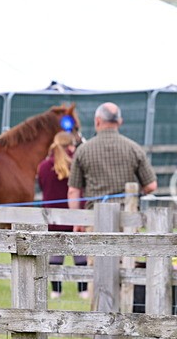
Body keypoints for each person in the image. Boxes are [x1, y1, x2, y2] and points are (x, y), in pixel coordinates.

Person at [67, 102, 157, 212]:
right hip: (127, 218)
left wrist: (77, 220)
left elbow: (73, 191)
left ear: (97, 121)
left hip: (94, 217)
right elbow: (151, 185)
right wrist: (134, 194)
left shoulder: (82, 150)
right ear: (119, 122)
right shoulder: (134, 148)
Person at [37, 131, 88, 299]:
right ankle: (83, 291)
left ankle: (56, 291)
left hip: (52, 219)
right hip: (74, 217)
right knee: (80, 255)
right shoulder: (76, 165)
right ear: (71, 146)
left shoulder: (43, 166)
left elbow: (42, 187)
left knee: (55, 255)